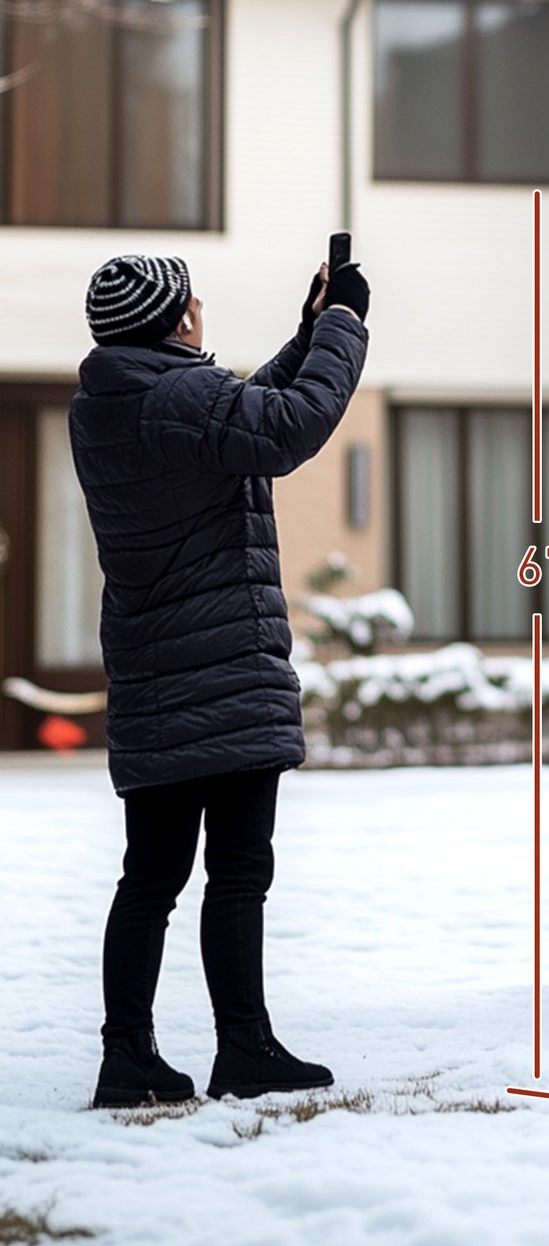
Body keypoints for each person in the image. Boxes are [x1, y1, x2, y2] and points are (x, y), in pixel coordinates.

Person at [69, 252, 371, 1107]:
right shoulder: (179, 397)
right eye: (191, 300)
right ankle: (244, 1046)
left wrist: (308, 333)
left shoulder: (111, 401)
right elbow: (287, 426)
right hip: (225, 669)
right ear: (177, 319)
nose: (200, 307)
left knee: (150, 876)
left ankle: (127, 1056)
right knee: (238, 868)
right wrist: (344, 324)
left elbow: (238, 417)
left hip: (153, 675)